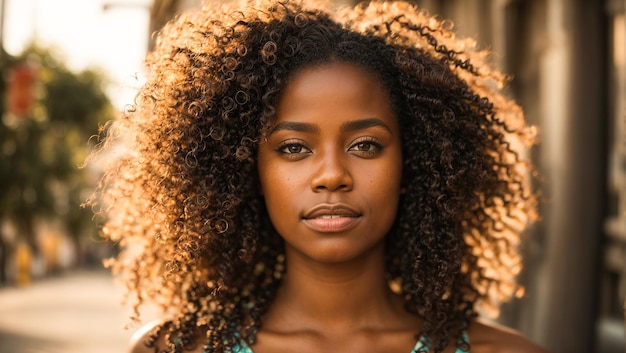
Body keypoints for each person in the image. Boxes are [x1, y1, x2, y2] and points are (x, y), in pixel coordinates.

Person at [88, 0, 548, 352]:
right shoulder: (175, 349)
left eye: (365, 145)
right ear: (249, 170)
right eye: (293, 148)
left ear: (415, 164)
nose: (331, 176)